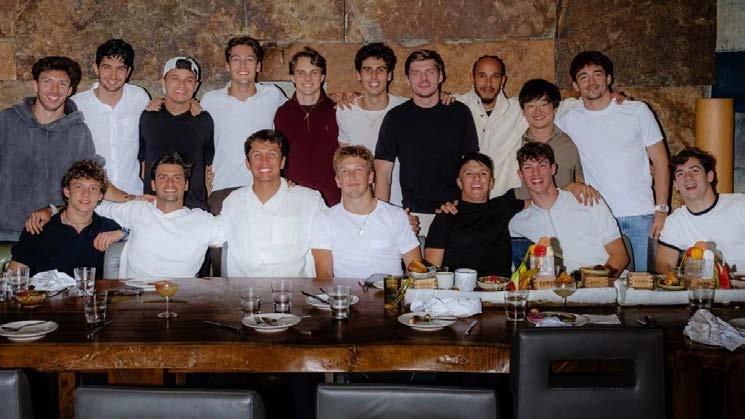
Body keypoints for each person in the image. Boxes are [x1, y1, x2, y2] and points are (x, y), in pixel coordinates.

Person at [556, 51, 669, 272]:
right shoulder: (568, 118)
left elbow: (661, 162)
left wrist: (661, 210)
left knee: (645, 286)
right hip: (600, 219)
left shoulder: (637, 111)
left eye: (597, 74)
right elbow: (540, 115)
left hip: (641, 216)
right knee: (605, 286)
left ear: (608, 78)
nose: (591, 81)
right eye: (583, 76)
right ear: (575, 85)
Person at [375, 49, 479, 236]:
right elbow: (383, 175)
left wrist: (466, 207)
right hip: (412, 217)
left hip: (454, 212)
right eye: (416, 73)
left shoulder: (460, 113)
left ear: (441, 76)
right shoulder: (395, 118)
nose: (423, 79)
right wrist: (383, 219)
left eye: (430, 72)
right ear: (408, 79)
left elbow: (472, 166)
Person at [0, 56, 102, 241]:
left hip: (53, 236)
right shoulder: (6, 121)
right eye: (47, 82)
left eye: (62, 84)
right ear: (35, 85)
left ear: (70, 90)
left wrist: (53, 210)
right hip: (3, 233)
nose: (54, 90)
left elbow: (87, 186)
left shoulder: (78, 133)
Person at [94, 152, 223, 279]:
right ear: (153, 185)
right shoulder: (137, 209)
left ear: (186, 185)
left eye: (177, 178)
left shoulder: (202, 220)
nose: (170, 183)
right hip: (136, 291)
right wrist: (128, 200)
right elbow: (92, 203)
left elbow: (232, 232)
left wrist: (125, 234)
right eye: (163, 177)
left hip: (180, 292)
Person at [219, 129, 326, 277]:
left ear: (282, 162)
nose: (265, 161)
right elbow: (208, 232)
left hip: (293, 290)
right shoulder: (232, 202)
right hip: (244, 290)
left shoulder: (309, 200)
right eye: (257, 155)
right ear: (247, 164)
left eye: (272, 155)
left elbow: (325, 249)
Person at [509, 142, 628, 274]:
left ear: (553, 169)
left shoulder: (587, 200)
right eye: (527, 167)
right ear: (520, 175)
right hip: (556, 286)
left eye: (542, 165)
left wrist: (595, 283)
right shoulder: (518, 222)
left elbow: (620, 256)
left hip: (602, 281)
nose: (535, 173)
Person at [312, 146, 421, 279]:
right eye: (344, 171)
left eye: (358, 169)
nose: (352, 176)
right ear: (338, 181)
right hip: (345, 292)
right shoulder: (324, 220)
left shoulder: (397, 216)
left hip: (389, 291)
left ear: (370, 177)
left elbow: (417, 272)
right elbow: (324, 276)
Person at [201, 36, 287, 204]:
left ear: (258, 66)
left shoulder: (272, 95)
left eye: (249, 59)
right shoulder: (210, 101)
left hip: (265, 189)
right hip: (223, 189)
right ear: (227, 66)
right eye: (236, 59)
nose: (242, 66)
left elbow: (300, 108)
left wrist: (337, 99)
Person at [9, 160, 121, 278]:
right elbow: (14, 277)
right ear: (67, 191)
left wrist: (122, 234)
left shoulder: (108, 228)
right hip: (45, 290)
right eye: (79, 186)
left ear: (100, 196)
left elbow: (133, 233)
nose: (86, 194)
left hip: (91, 290)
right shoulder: (39, 227)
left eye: (93, 188)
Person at [424, 153, 524, 277]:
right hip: (458, 288)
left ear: (491, 182)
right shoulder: (445, 216)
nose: (477, 178)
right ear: (459, 182)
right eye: (469, 173)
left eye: (483, 173)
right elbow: (431, 272)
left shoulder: (503, 206)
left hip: (500, 287)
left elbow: (539, 197)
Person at [71, 39, 150, 195]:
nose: (113, 75)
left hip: (132, 195)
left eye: (120, 68)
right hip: (92, 198)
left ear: (128, 72)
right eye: (107, 67)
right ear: (96, 68)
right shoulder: (77, 105)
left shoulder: (139, 97)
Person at [138, 56, 214, 210]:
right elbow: (143, 164)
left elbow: (208, 166)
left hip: (193, 208)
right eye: (175, 78)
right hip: (155, 207)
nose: (182, 85)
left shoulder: (203, 120)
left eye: (189, 80)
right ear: (163, 82)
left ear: (196, 85)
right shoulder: (148, 117)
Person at [336, 43, 406, 206]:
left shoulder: (404, 110)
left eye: (380, 70)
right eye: (367, 70)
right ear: (358, 75)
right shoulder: (345, 111)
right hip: (357, 204)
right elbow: (344, 159)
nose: (374, 76)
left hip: (399, 204)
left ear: (389, 75)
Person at [657, 148, 745, 272]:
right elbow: (663, 264)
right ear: (676, 185)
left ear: (709, 176)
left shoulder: (740, 205)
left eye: (695, 170)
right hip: (704, 284)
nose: (688, 177)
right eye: (680, 174)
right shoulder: (675, 221)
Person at [274, 47, 340, 205]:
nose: (308, 78)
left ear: (322, 77)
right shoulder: (282, 113)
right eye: (301, 72)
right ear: (292, 77)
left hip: (332, 198)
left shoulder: (337, 110)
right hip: (294, 198)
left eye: (314, 72)